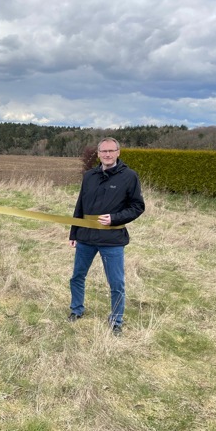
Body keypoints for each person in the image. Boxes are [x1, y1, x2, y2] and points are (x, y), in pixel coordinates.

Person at [68, 137, 145, 335]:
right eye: (103, 151)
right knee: (77, 276)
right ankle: (76, 310)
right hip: (86, 237)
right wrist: (74, 232)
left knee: (116, 283)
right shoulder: (89, 176)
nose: (107, 155)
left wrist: (115, 218)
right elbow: (80, 206)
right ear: (99, 154)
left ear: (118, 152)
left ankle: (116, 320)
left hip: (112, 240)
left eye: (111, 151)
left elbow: (138, 207)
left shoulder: (129, 176)